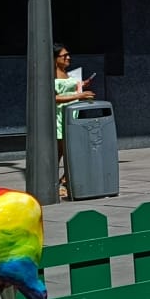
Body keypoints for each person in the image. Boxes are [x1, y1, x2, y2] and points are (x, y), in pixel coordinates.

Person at [52, 42, 97, 200]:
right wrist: (80, 95)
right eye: (64, 56)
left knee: (75, 152)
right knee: (63, 153)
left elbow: (68, 90)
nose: (68, 58)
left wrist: (81, 85)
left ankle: (64, 181)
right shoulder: (52, 75)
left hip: (74, 115)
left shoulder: (65, 72)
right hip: (61, 117)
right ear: (55, 58)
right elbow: (54, 98)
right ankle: (58, 184)